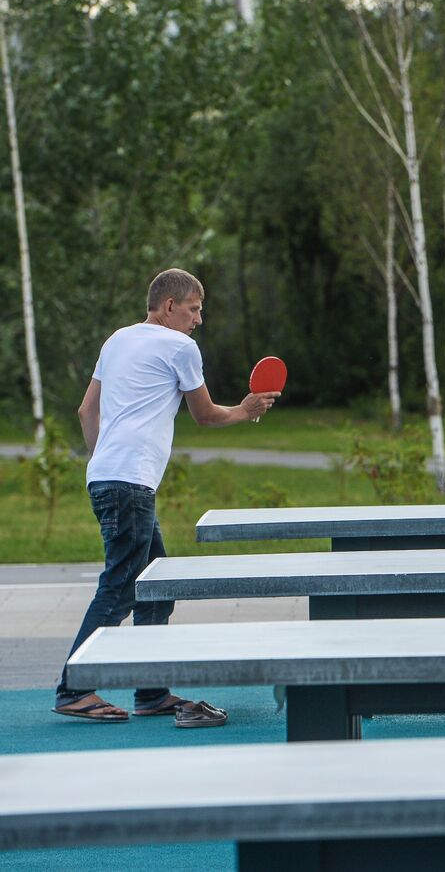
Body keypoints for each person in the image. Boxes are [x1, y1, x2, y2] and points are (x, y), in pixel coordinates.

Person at [53, 268, 280, 726]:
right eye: (194, 309)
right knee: (121, 586)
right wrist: (246, 409)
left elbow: (85, 409)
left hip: (110, 478)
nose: (199, 319)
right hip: (130, 484)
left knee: (155, 589)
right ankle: (73, 688)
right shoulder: (180, 347)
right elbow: (206, 415)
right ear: (170, 306)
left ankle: (151, 691)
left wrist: (105, 461)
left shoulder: (117, 339)